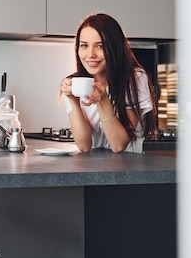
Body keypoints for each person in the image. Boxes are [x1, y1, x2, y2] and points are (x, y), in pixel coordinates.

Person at [59, 13, 157, 153]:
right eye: (84, 45)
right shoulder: (75, 84)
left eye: (100, 46)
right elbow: (84, 145)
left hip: (129, 169)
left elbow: (118, 145)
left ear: (114, 48)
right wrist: (73, 101)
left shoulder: (135, 79)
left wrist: (103, 100)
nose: (90, 54)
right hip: (90, 170)